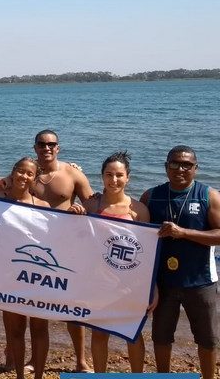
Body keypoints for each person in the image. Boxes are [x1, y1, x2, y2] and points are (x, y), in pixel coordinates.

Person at [2, 129, 94, 373]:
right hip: (32, 250)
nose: (46, 148)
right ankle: (31, 359)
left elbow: (93, 204)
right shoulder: (26, 174)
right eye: (42, 144)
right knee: (32, 309)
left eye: (51, 144)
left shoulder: (72, 173)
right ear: (35, 148)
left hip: (65, 248)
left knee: (72, 307)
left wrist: (82, 212)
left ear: (58, 148)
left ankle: (81, 360)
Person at [68, 151, 155, 373]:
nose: (113, 180)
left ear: (128, 178)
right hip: (98, 280)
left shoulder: (139, 211)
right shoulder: (91, 205)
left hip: (130, 282)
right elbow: (73, 238)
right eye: (109, 174)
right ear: (102, 176)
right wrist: (74, 214)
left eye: (119, 175)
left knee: (133, 333)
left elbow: (148, 254)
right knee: (99, 333)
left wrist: (153, 286)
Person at [140, 145, 219, 379]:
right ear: (166, 167)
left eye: (187, 165)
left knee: (208, 339)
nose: (180, 169)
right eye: (174, 163)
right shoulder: (151, 195)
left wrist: (183, 233)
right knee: (161, 337)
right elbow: (132, 229)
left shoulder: (208, 195)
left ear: (196, 168)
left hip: (201, 281)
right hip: (164, 283)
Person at [0, 157, 51, 379]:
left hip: (36, 276)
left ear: (35, 178)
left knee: (39, 328)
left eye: (29, 174)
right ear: (13, 172)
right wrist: (2, 182)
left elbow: (56, 240)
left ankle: (38, 375)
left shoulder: (43, 206)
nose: (24, 177)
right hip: (8, 275)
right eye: (20, 171)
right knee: (14, 330)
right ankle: (19, 376)